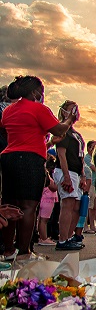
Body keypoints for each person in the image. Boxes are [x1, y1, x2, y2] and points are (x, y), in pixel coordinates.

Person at [0, 76, 76, 260]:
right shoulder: (39, 109)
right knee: (28, 207)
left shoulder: (8, 111)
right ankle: (24, 252)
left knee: (9, 205)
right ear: (35, 92)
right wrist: (69, 120)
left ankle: (9, 250)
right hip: (30, 160)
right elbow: (58, 129)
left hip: (8, 158)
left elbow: (10, 133)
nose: (42, 95)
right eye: (41, 92)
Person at [53, 101, 88, 251]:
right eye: (72, 110)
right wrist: (66, 176)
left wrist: (83, 176)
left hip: (76, 172)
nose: (75, 112)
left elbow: (80, 157)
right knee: (67, 203)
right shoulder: (62, 130)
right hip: (65, 170)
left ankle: (69, 236)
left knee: (76, 206)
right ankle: (62, 240)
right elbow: (61, 154)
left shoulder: (76, 134)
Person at [37, 168, 58, 246]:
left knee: (40, 220)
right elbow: (54, 188)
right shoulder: (47, 178)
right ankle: (44, 238)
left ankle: (42, 237)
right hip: (47, 200)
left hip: (43, 199)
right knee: (44, 220)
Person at [84, 140, 96, 234]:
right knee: (88, 206)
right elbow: (95, 169)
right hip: (89, 183)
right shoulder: (87, 158)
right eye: (93, 147)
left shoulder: (94, 158)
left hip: (94, 183)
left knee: (93, 207)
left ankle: (92, 225)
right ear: (89, 148)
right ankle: (85, 226)